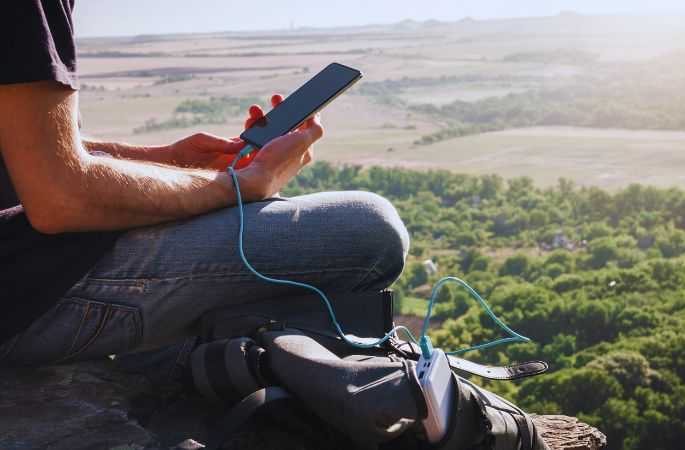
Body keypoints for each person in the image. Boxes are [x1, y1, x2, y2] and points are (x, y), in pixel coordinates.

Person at [0, 1, 409, 370]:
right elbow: (60, 198)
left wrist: (169, 162)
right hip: (23, 288)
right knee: (370, 231)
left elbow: (24, 143)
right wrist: (242, 185)